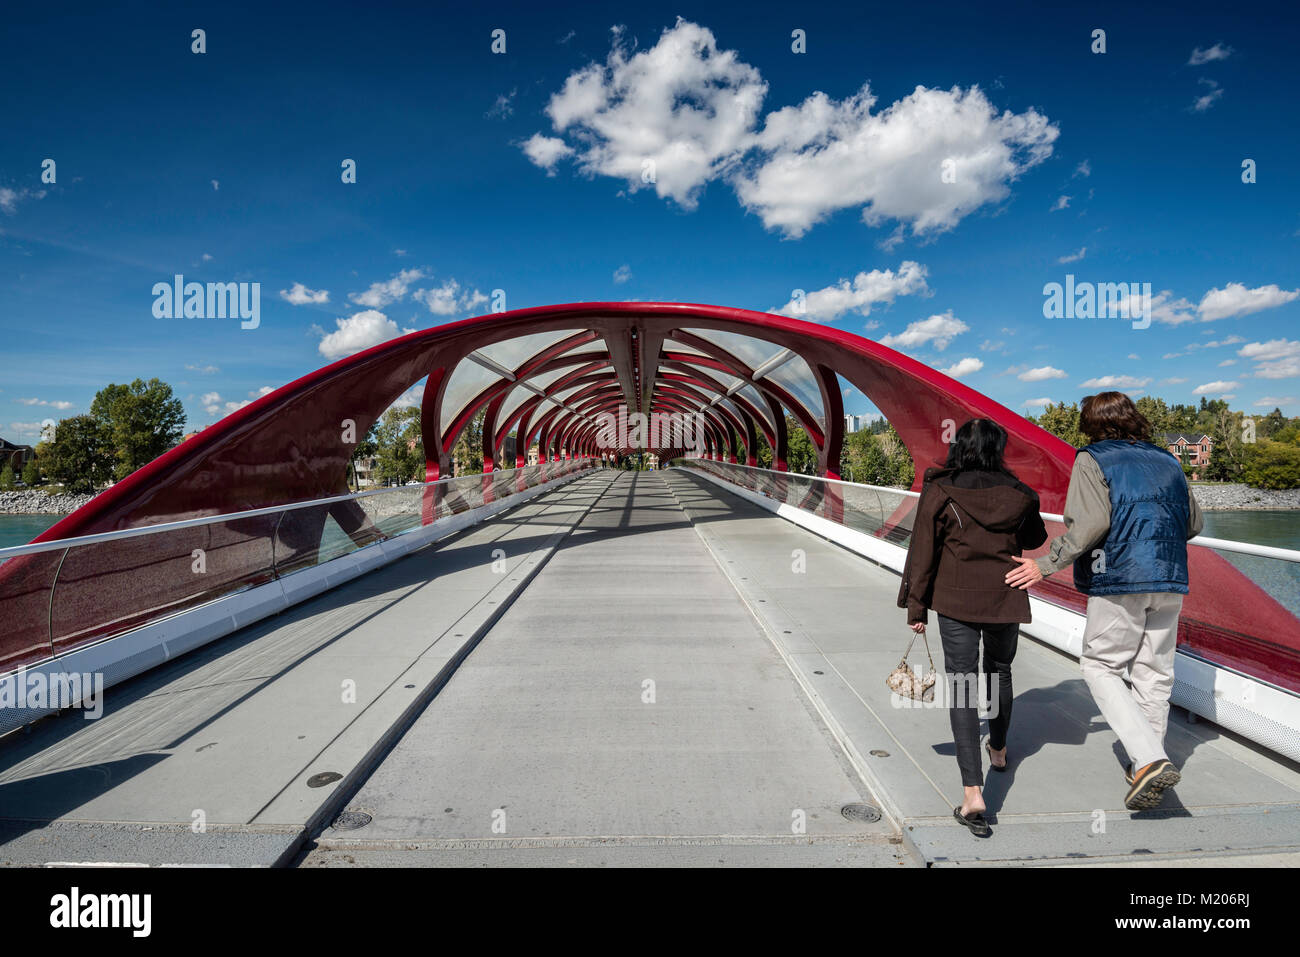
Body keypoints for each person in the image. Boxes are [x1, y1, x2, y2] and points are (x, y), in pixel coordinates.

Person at [1006, 391, 1203, 811]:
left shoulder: (1093, 459)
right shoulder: (1169, 460)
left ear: (1092, 424)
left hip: (1119, 576)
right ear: (1134, 419)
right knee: (1154, 674)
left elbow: (1091, 525)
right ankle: (1145, 764)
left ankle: (1149, 759)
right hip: (1169, 576)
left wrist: (1045, 565)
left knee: (1101, 666)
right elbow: (1194, 522)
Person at [898, 418, 1047, 837]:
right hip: (1005, 596)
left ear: (959, 445)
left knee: (962, 684)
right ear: (998, 449)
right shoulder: (1020, 494)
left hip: (955, 599)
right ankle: (998, 750)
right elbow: (1034, 539)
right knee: (999, 671)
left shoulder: (942, 489)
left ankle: (972, 794)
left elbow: (923, 549)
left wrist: (916, 605)